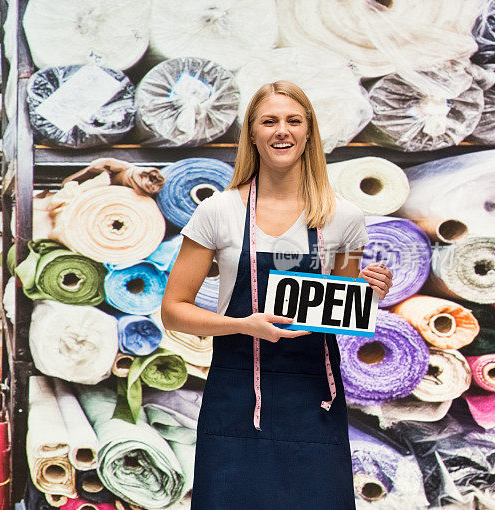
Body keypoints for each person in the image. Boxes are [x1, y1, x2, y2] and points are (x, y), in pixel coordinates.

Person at [161, 81, 393, 509]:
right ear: (252, 133)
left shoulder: (342, 216)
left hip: (314, 401)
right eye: (269, 121)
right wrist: (241, 325)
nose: (281, 131)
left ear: (309, 132)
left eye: (293, 121)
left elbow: (341, 307)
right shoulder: (219, 211)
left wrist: (371, 291)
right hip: (237, 398)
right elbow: (174, 312)